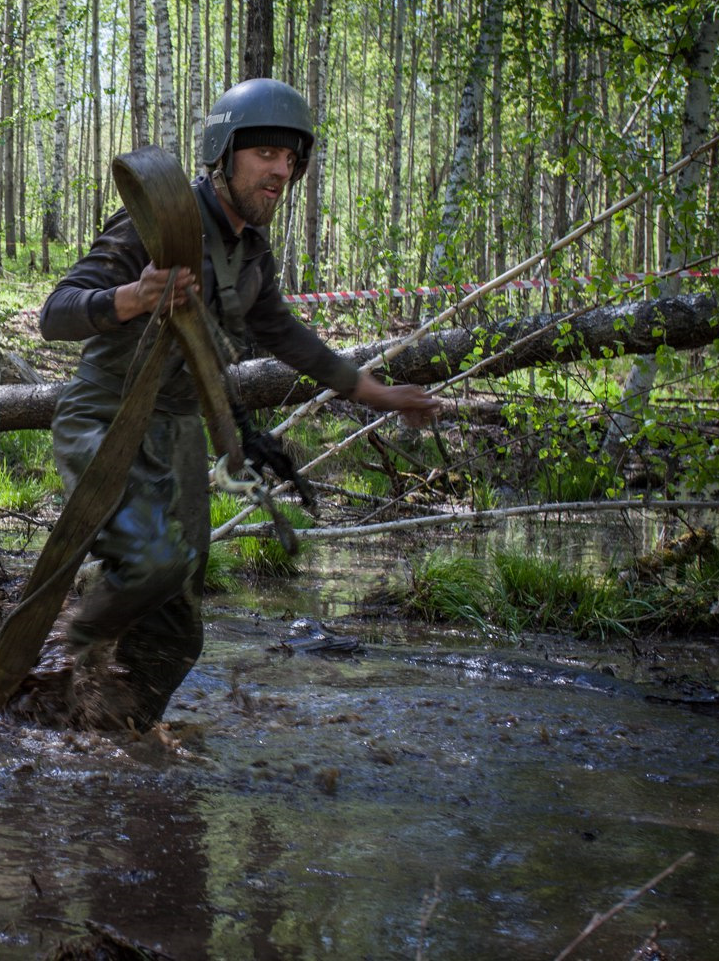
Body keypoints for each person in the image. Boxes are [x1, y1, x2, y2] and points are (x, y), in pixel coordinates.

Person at [39, 78, 440, 726]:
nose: (281, 171)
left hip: (177, 436)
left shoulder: (252, 256)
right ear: (223, 154)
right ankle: (54, 667)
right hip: (106, 420)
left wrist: (380, 394)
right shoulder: (160, 219)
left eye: (292, 159)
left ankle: (118, 735)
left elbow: (293, 340)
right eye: (266, 154)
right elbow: (55, 314)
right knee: (152, 564)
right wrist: (131, 300)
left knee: (180, 631)